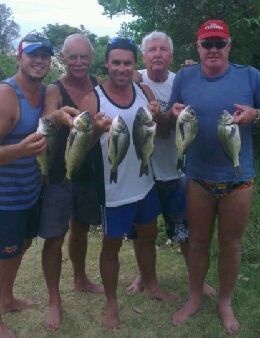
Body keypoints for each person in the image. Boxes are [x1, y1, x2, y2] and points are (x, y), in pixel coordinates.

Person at [169, 19, 260, 334]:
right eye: (207, 44)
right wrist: (172, 113)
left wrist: (257, 115)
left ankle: (224, 301)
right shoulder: (184, 76)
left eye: (219, 43)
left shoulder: (250, 76)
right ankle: (195, 295)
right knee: (198, 241)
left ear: (229, 45)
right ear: (197, 47)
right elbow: (172, 111)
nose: (213, 49)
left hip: (239, 179)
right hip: (197, 177)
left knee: (231, 243)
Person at [79, 37, 177, 330]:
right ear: (107, 64)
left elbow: (158, 136)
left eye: (127, 63)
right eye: (116, 63)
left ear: (135, 66)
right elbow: (80, 149)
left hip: (145, 183)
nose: (122, 69)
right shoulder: (92, 99)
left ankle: (152, 284)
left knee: (147, 237)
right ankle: (111, 303)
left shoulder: (143, 90)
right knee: (111, 248)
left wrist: (159, 118)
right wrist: (94, 131)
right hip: (112, 191)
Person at [127, 31, 215, 298]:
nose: (157, 54)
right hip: (140, 173)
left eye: (163, 49)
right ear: (144, 56)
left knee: (184, 232)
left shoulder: (184, 82)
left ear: (171, 56)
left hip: (176, 171)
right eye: (152, 49)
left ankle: (197, 280)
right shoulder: (132, 80)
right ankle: (143, 275)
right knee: (143, 232)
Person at [38, 33, 104, 331]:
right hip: (57, 173)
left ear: (91, 57)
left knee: (80, 228)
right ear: (63, 58)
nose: (78, 62)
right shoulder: (55, 88)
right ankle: (54, 299)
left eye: (84, 56)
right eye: (72, 56)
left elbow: (133, 81)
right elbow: (47, 116)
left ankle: (80, 278)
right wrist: (58, 116)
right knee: (54, 236)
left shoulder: (99, 84)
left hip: (89, 170)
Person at [0, 33, 53, 338]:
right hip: (5, 198)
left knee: (19, 248)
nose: (39, 60)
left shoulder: (43, 92)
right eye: (32, 54)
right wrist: (20, 150)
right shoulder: (7, 94)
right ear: (19, 57)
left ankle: (7, 298)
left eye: (45, 55)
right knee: (4, 254)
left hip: (29, 191)